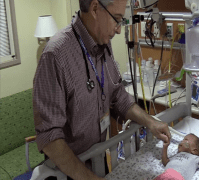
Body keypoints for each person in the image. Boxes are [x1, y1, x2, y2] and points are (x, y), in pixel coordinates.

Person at [32, 0, 171, 179]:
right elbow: (49, 137)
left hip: (97, 157)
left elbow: (118, 96)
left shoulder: (103, 44)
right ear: (95, 9)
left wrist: (151, 122)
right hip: (69, 169)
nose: (119, 29)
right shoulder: (56, 55)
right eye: (117, 19)